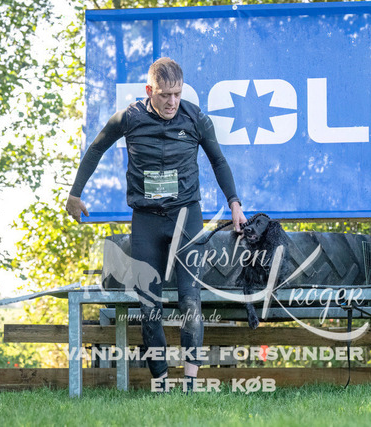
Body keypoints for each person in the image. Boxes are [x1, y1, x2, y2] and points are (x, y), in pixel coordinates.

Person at [66, 57, 246, 392]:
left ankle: (190, 385)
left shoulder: (195, 118)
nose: (172, 101)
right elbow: (96, 148)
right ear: (150, 90)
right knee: (149, 304)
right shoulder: (129, 117)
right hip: (146, 220)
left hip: (186, 216)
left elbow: (219, 161)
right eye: (165, 95)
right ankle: (161, 382)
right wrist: (75, 194)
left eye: (177, 94)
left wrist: (234, 203)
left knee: (190, 300)